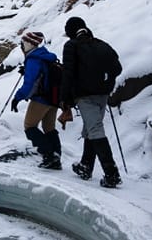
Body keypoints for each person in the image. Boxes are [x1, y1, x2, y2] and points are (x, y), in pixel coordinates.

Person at [59, 16, 123, 188]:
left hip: (84, 96)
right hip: (103, 94)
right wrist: (106, 84)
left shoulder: (71, 46)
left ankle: (111, 174)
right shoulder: (101, 44)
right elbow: (117, 68)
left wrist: (64, 98)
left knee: (94, 130)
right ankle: (85, 166)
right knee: (90, 129)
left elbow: (68, 73)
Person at [11, 31, 62, 169]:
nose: (21, 47)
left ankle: (49, 155)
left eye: (23, 43)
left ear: (29, 44)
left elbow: (29, 84)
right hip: (54, 98)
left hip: (41, 99)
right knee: (49, 128)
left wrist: (17, 98)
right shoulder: (45, 56)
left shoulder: (34, 59)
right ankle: (55, 156)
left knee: (30, 126)